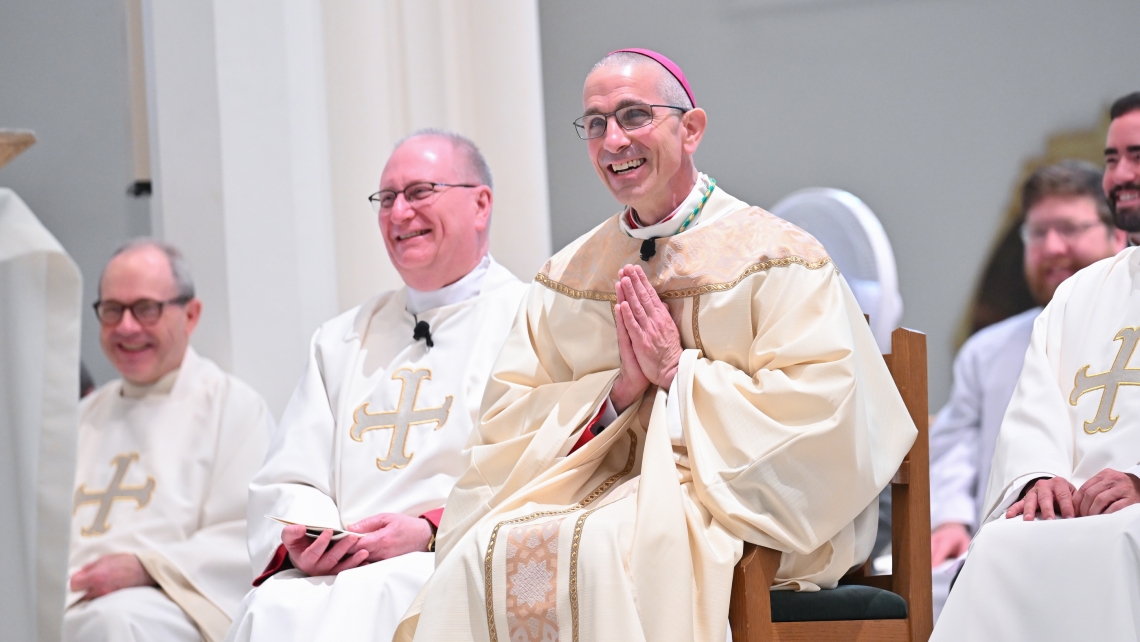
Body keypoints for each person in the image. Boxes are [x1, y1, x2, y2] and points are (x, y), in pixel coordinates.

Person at [394, 49, 917, 642]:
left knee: (602, 554)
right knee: (481, 550)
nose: (613, 139)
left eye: (634, 116)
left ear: (690, 129)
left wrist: (677, 372)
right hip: (597, 494)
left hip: (733, 503)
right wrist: (618, 393)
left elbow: (824, 408)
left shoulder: (778, 257)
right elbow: (507, 425)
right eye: (595, 123)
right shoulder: (568, 277)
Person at [224, 130, 528, 642]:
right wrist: (311, 536)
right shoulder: (341, 339)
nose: (399, 213)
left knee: (384, 593)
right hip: (341, 569)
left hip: (454, 557)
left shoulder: (529, 320)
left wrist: (430, 529)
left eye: (419, 192)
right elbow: (289, 478)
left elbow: (544, 466)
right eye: (386, 198)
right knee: (272, 606)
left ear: (480, 204)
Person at [931, 92, 1140, 641]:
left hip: (1131, 516)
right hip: (1073, 509)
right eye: (1112, 159)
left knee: (1122, 540)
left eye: (1137, 156)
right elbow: (1036, 409)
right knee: (1001, 545)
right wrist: (1038, 478)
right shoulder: (1079, 296)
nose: (1120, 175)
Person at [65, 240, 272, 642]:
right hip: (70, 602)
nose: (126, 326)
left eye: (146, 309)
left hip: (171, 602)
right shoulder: (79, 421)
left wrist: (148, 566)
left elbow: (250, 536)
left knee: (114, 621)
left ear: (190, 315)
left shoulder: (232, 409)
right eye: (112, 310)